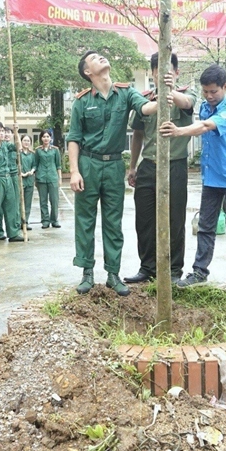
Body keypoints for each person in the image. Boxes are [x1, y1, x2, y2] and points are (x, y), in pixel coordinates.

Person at [67, 51, 158, 296]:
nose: (102, 58)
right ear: (88, 72)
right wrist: (74, 171)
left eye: (102, 56)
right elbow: (74, 138)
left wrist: (163, 101)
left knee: (113, 222)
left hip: (114, 164)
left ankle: (113, 274)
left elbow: (146, 107)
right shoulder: (82, 101)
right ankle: (87, 273)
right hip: (88, 164)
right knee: (85, 221)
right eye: (94, 58)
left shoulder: (126, 93)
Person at [159, 64, 226, 294]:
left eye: (214, 92)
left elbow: (206, 127)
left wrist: (179, 131)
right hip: (210, 179)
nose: (209, 96)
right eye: (206, 92)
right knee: (205, 228)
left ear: (225, 87)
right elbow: (200, 117)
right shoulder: (205, 107)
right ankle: (200, 272)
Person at [124, 52, 196, 285]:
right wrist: (132, 166)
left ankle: (174, 269)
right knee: (144, 219)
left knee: (175, 219)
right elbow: (137, 134)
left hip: (175, 165)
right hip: (148, 165)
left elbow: (188, 104)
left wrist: (170, 92)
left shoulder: (185, 95)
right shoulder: (146, 101)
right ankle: (148, 267)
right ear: (152, 73)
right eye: (157, 70)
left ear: (176, 72)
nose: (161, 74)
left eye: (167, 70)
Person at [34, 130, 61, 229]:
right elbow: (35, 165)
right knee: (43, 201)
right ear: (41, 138)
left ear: (50, 138)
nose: (46, 138)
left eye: (47, 136)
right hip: (41, 178)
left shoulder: (55, 150)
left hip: (53, 177)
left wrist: (60, 178)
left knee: (54, 200)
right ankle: (45, 221)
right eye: (44, 136)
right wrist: (35, 178)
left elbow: (58, 165)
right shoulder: (38, 151)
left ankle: (54, 220)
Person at [19, 135, 36, 230]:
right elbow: (14, 164)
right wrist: (20, 173)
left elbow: (35, 165)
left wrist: (32, 171)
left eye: (28, 141)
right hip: (20, 180)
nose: (26, 142)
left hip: (29, 180)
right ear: (21, 141)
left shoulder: (32, 154)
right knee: (19, 202)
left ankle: (25, 222)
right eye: (24, 140)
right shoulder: (18, 153)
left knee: (28, 203)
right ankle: (18, 222)